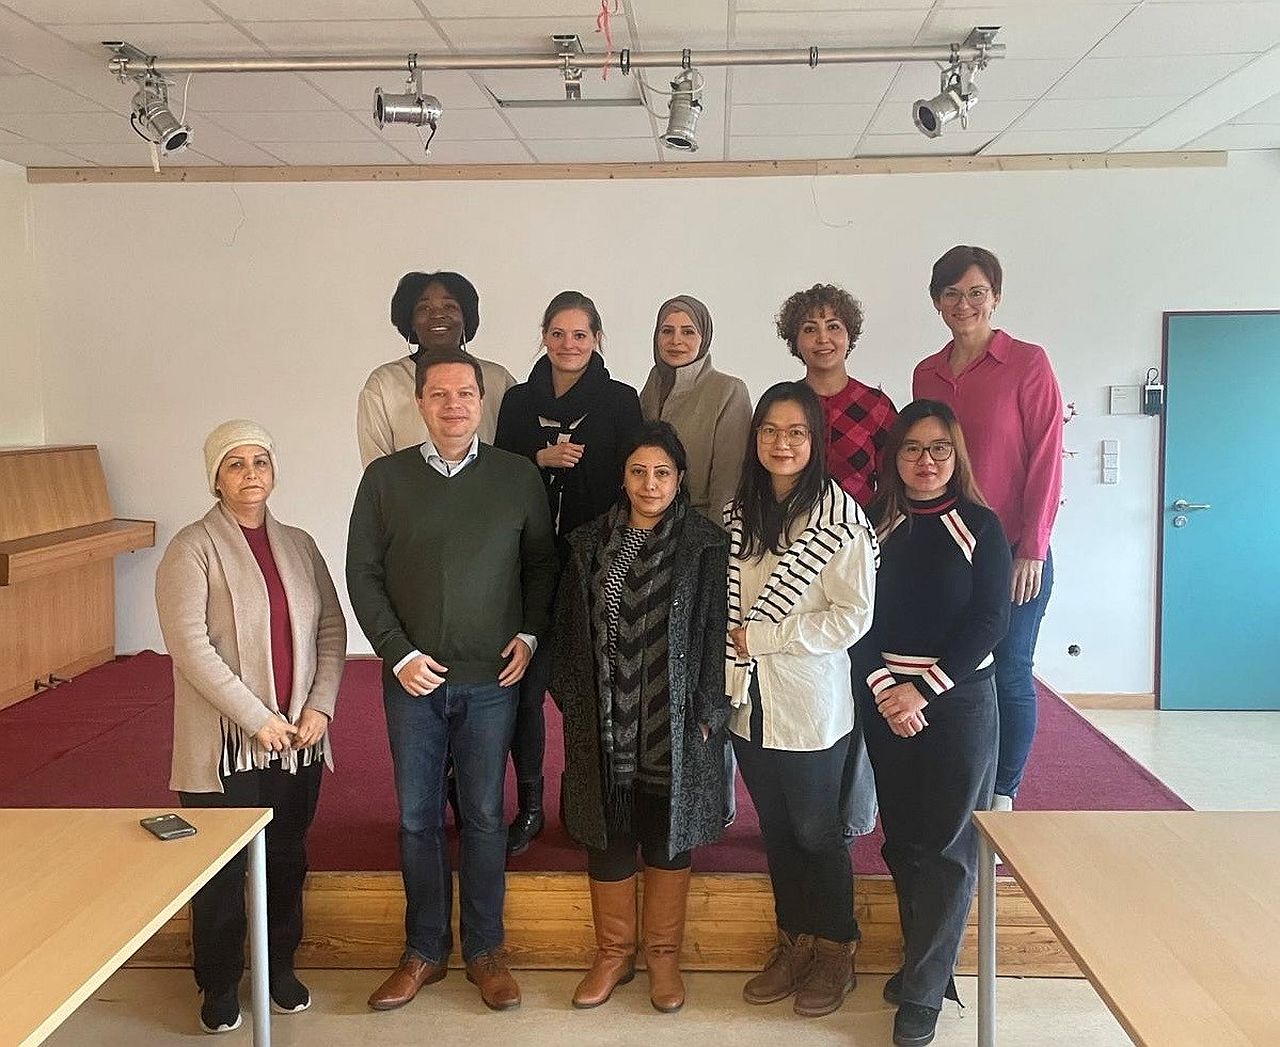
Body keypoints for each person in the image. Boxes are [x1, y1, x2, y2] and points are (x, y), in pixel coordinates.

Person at [347, 350, 559, 1013]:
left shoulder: (516, 476)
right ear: (419, 403)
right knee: (416, 819)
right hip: (412, 681)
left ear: (481, 400)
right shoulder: (385, 479)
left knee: (484, 818)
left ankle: (486, 950)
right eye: (438, 395)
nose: (454, 405)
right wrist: (397, 652)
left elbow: (541, 565)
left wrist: (527, 636)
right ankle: (424, 949)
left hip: (491, 679)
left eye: (465, 393)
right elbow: (363, 573)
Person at [155, 419, 346, 1034]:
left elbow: (331, 632)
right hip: (228, 747)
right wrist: (257, 719)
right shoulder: (192, 548)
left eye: (260, 461)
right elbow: (191, 648)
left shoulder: (300, 544)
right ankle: (218, 981)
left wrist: (319, 706)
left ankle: (278, 967)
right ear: (215, 477)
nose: (251, 475)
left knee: (287, 858)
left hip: (298, 741)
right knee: (221, 868)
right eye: (236, 464)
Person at [551, 421, 729, 1013]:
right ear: (622, 477)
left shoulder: (704, 544)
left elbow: (714, 633)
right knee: (609, 827)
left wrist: (709, 706)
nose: (649, 484)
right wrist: (577, 702)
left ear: (680, 479)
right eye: (638, 471)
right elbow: (569, 633)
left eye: (662, 473)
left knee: (665, 830)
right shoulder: (587, 544)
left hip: (675, 719)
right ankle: (613, 953)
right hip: (606, 717)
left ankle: (662, 957)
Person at [854, 400, 1011, 1047]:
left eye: (938, 448)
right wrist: (890, 689)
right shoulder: (873, 522)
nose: (925, 460)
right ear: (894, 456)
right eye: (913, 448)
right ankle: (929, 961)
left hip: (959, 702)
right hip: (887, 699)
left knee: (948, 848)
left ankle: (922, 991)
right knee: (904, 841)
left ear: (956, 455)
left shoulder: (980, 524)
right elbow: (852, 613)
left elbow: (990, 620)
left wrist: (923, 690)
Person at [725, 381, 878, 1019]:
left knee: (818, 832)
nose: (781, 444)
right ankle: (794, 942)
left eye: (795, 433)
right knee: (779, 832)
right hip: (747, 700)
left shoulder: (840, 518)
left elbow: (854, 616)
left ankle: (837, 947)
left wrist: (768, 636)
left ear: (815, 441)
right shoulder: (744, 511)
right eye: (769, 431)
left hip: (810, 703)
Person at [913, 246, 1063, 809]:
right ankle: (960, 778)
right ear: (937, 303)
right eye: (951, 293)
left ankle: (1002, 794)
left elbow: (1048, 459)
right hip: (949, 547)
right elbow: (922, 461)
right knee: (955, 665)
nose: (965, 303)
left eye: (976, 291)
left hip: (1016, 549)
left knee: (1010, 666)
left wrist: (1034, 550)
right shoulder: (925, 373)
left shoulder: (1027, 362)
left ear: (995, 297)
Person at [494, 290, 643, 854]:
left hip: (596, 563)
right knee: (525, 690)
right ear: (544, 336)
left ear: (597, 339)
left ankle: (590, 804)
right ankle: (529, 805)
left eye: (580, 334)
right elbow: (499, 468)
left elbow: (635, 480)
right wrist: (539, 458)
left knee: (594, 690)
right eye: (558, 333)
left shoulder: (621, 400)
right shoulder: (516, 400)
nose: (569, 344)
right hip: (524, 563)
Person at [777, 283, 896, 843]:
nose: (822, 339)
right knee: (804, 678)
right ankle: (798, 797)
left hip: (855, 559)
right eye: (809, 328)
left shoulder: (875, 406)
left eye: (833, 327)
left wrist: (867, 540)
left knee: (859, 675)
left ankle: (853, 810)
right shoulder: (784, 404)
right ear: (794, 340)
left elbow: (893, 485)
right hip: (793, 563)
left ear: (849, 334)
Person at [639, 295, 751, 830]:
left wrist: (713, 549)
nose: (677, 340)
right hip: (652, 543)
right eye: (667, 331)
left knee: (708, 672)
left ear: (705, 335)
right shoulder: (650, 389)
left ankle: (715, 797)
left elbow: (728, 480)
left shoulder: (728, 391)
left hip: (703, 544)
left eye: (687, 331)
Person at [357, 270, 516, 467]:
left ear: (465, 317)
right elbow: (377, 468)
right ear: (411, 322)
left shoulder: (498, 380)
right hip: (409, 495)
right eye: (424, 308)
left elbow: (515, 454)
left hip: (490, 494)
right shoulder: (384, 383)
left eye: (450, 306)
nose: (438, 314)